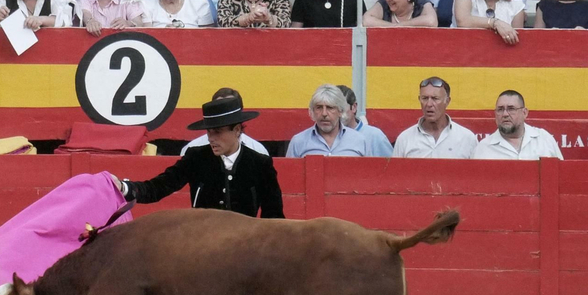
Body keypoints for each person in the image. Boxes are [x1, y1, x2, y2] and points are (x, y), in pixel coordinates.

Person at [118, 94, 284, 218]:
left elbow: (273, 216)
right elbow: (159, 187)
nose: (211, 139)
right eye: (209, 132)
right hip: (202, 246)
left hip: (244, 247)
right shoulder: (196, 158)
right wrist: (125, 188)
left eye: (218, 132)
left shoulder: (260, 163)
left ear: (237, 130)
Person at [287, 84, 390, 157]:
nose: (324, 113)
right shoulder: (298, 142)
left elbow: (369, 179)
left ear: (340, 111)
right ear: (312, 111)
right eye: (319, 107)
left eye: (330, 108)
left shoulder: (360, 140)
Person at [394, 76, 478, 158]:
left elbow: (477, 171)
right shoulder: (405, 139)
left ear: (447, 101)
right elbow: (394, 171)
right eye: (425, 98)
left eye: (435, 98)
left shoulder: (467, 138)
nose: (429, 104)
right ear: (419, 99)